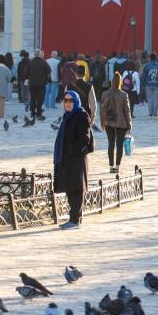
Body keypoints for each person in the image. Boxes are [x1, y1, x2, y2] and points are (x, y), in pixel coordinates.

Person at [52, 90, 94, 229]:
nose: (68, 103)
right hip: (67, 159)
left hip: (76, 159)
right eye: (66, 100)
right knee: (70, 188)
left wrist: (73, 151)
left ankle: (76, 220)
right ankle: (74, 218)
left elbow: (85, 138)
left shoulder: (81, 115)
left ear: (76, 102)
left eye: (71, 101)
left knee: (77, 189)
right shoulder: (67, 116)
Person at [99, 72, 132, 174]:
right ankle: (117, 166)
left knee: (111, 144)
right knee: (119, 145)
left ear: (111, 82)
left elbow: (102, 110)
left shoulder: (105, 94)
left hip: (109, 122)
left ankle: (111, 166)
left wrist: (102, 123)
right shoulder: (123, 95)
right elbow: (127, 111)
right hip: (122, 123)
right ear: (120, 82)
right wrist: (129, 123)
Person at [27, 50, 51, 120]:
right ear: (40, 54)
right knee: (40, 98)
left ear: (35, 55)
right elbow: (49, 70)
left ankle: (32, 112)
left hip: (32, 83)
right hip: (41, 83)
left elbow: (26, 73)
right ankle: (39, 113)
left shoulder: (30, 62)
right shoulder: (44, 62)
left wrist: (28, 77)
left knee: (33, 98)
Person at [141, 53, 158, 118]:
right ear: (156, 58)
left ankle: (150, 112)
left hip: (148, 84)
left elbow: (144, 76)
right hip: (157, 84)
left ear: (150, 58)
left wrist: (143, 84)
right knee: (156, 99)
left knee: (149, 99)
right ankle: (155, 113)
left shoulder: (146, 65)